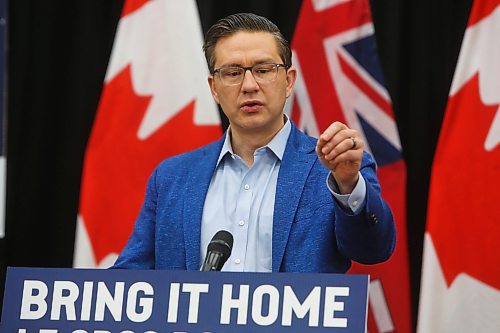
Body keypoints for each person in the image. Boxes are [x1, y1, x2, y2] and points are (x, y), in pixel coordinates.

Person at [113, 13, 395, 273]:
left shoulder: (332, 170)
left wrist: (347, 185)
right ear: (214, 88)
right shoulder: (172, 177)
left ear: (288, 81)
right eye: (233, 73)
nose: (248, 85)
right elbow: (130, 276)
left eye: (263, 70)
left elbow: (373, 250)